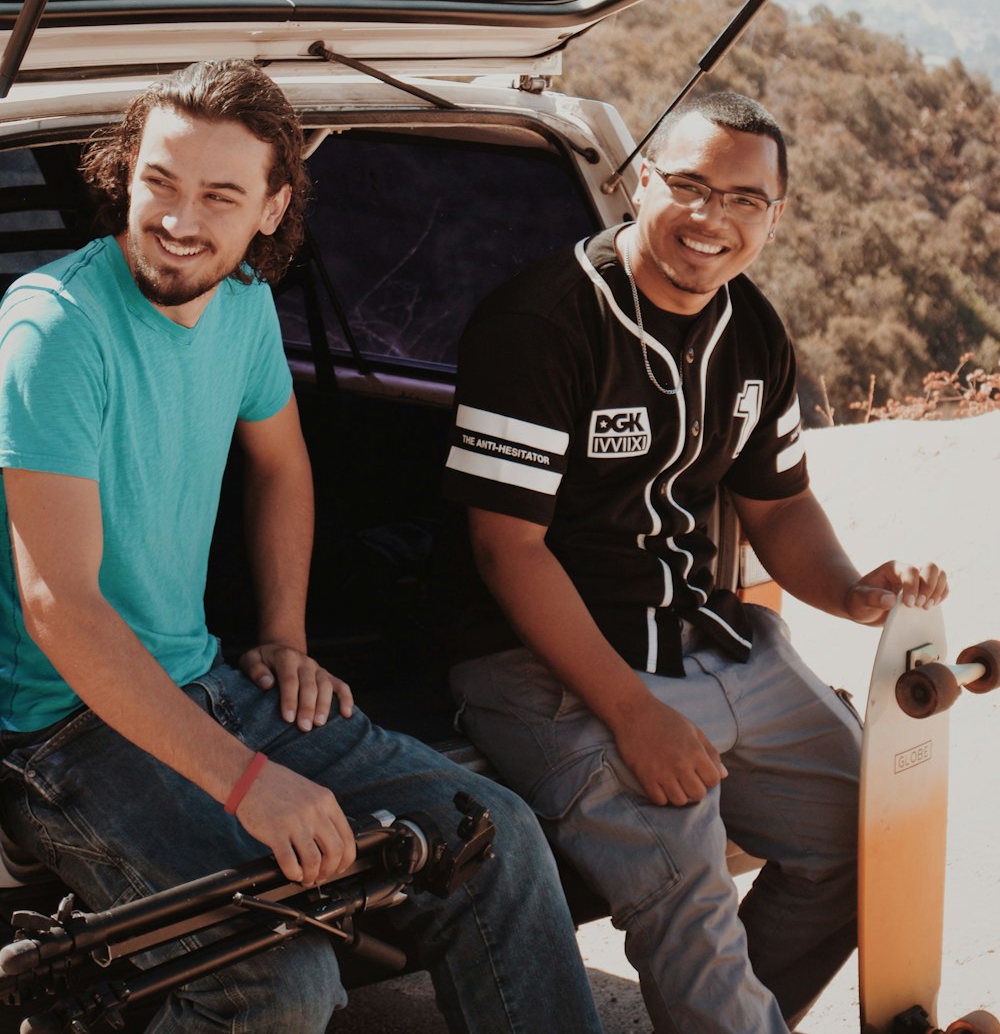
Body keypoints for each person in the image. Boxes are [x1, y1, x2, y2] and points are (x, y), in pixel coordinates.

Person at [0, 58, 603, 1034]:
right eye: (159, 180)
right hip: (64, 733)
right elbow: (56, 605)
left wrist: (283, 635)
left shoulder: (238, 305)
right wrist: (247, 784)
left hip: (209, 682)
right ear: (126, 172)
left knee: (491, 834)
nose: (179, 219)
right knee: (277, 978)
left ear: (274, 207)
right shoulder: (53, 332)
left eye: (219, 194)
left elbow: (282, 464)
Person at [443, 90, 948, 1034]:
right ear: (640, 182)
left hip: (710, 637)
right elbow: (503, 549)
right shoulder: (542, 322)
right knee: (689, 895)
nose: (712, 219)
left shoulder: (751, 327)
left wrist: (851, 589)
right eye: (688, 185)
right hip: (553, 664)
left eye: (745, 199)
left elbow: (781, 503)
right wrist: (632, 714)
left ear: (777, 214)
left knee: (871, 841)